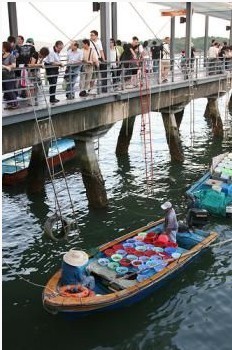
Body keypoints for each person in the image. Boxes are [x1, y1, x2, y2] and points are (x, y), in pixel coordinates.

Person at [2, 41, 19, 109]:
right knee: (6, 90)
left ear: (5, 47)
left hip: (9, 76)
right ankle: (9, 103)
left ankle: (15, 103)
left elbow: (14, 65)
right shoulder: (2, 55)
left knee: (10, 90)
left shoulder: (11, 55)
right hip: (3, 76)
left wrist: (5, 66)